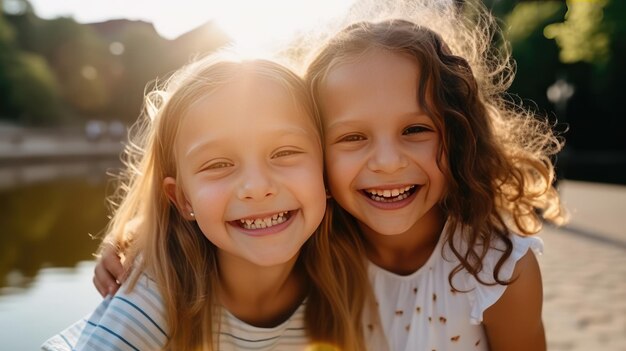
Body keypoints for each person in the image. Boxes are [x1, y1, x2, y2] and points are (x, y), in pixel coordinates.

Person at [93, 2, 567, 350]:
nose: (385, 161)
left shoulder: (498, 269)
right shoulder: (319, 240)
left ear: (460, 134)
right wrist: (132, 236)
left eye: (416, 129)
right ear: (317, 159)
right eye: (353, 138)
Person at [42, 54, 368, 351]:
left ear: (326, 173)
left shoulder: (347, 272)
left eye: (284, 153)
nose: (256, 187)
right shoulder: (163, 288)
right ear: (183, 200)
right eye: (218, 164)